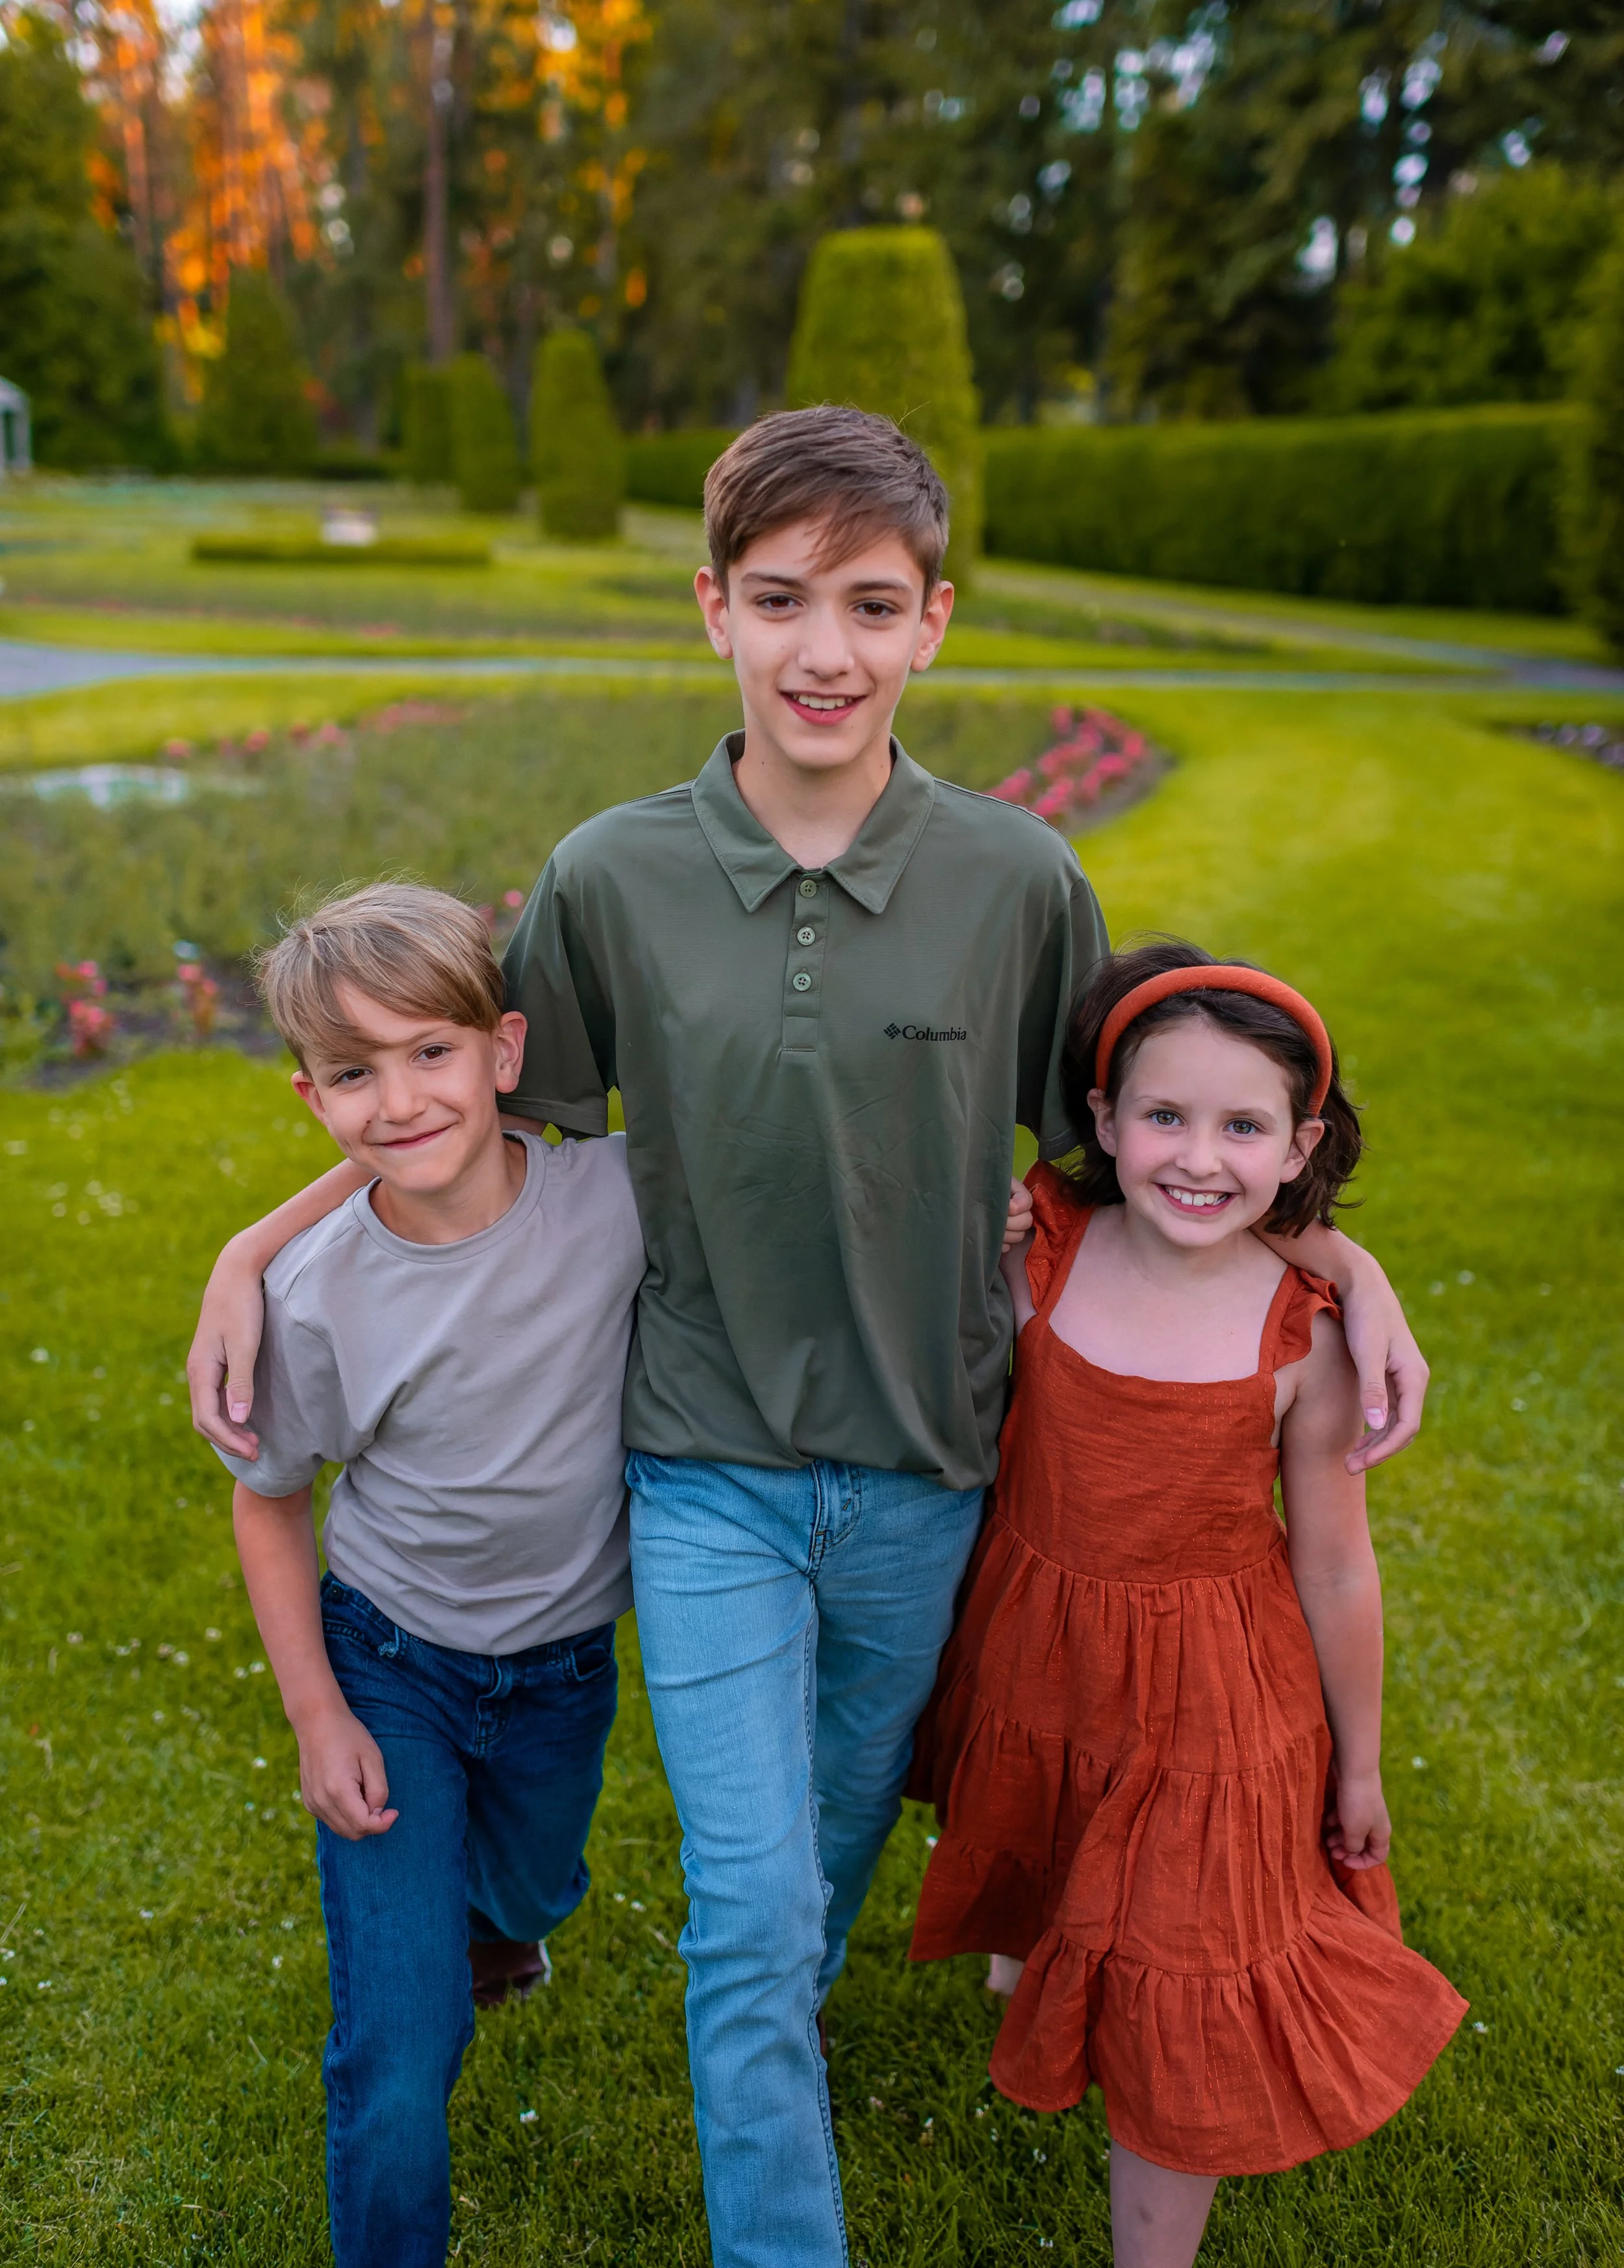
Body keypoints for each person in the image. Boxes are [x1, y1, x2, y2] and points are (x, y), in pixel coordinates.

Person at [189, 409, 1431, 2268]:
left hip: (933, 1480)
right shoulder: (612, 875)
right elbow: (464, 1122)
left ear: (933, 620)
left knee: (827, 1860)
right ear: (711, 611)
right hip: (700, 1474)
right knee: (750, 1911)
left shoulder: (1017, 882)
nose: (821, 649)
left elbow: (1149, 1153)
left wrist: (1348, 1265)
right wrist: (252, 1241)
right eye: (777, 601)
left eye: (867, 603)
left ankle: (779, 2020)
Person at [909, 939, 1466, 2268]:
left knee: (1186, 1973)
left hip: (1218, 1698)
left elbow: (1333, 1564)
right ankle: (1031, 1964)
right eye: (1163, 1115)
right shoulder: (1039, 1248)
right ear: (1101, 1120)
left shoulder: (1302, 1332)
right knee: (1047, 1834)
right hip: (1038, 1647)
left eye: (1241, 1127)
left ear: (1297, 1146)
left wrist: (1360, 1761)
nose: (1197, 1157)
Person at [209, 883, 645, 2268]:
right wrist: (316, 1716)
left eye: (429, 1054)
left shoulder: (616, 1199)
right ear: (310, 1099)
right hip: (392, 1666)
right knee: (397, 2047)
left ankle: (500, 1932)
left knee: (528, 1890)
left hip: (567, 1668)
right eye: (353, 1073)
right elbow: (268, 1501)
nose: (396, 1101)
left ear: (503, 1050)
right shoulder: (313, 1297)